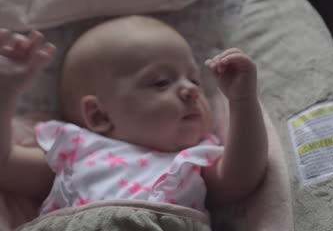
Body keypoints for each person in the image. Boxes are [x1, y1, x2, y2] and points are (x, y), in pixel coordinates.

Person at [0, 16, 268, 216]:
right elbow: (5, 166)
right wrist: (7, 92)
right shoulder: (76, 150)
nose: (190, 90)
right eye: (162, 82)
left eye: (195, 80)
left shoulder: (194, 159)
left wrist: (243, 101)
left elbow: (241, 179)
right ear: (99, 115)